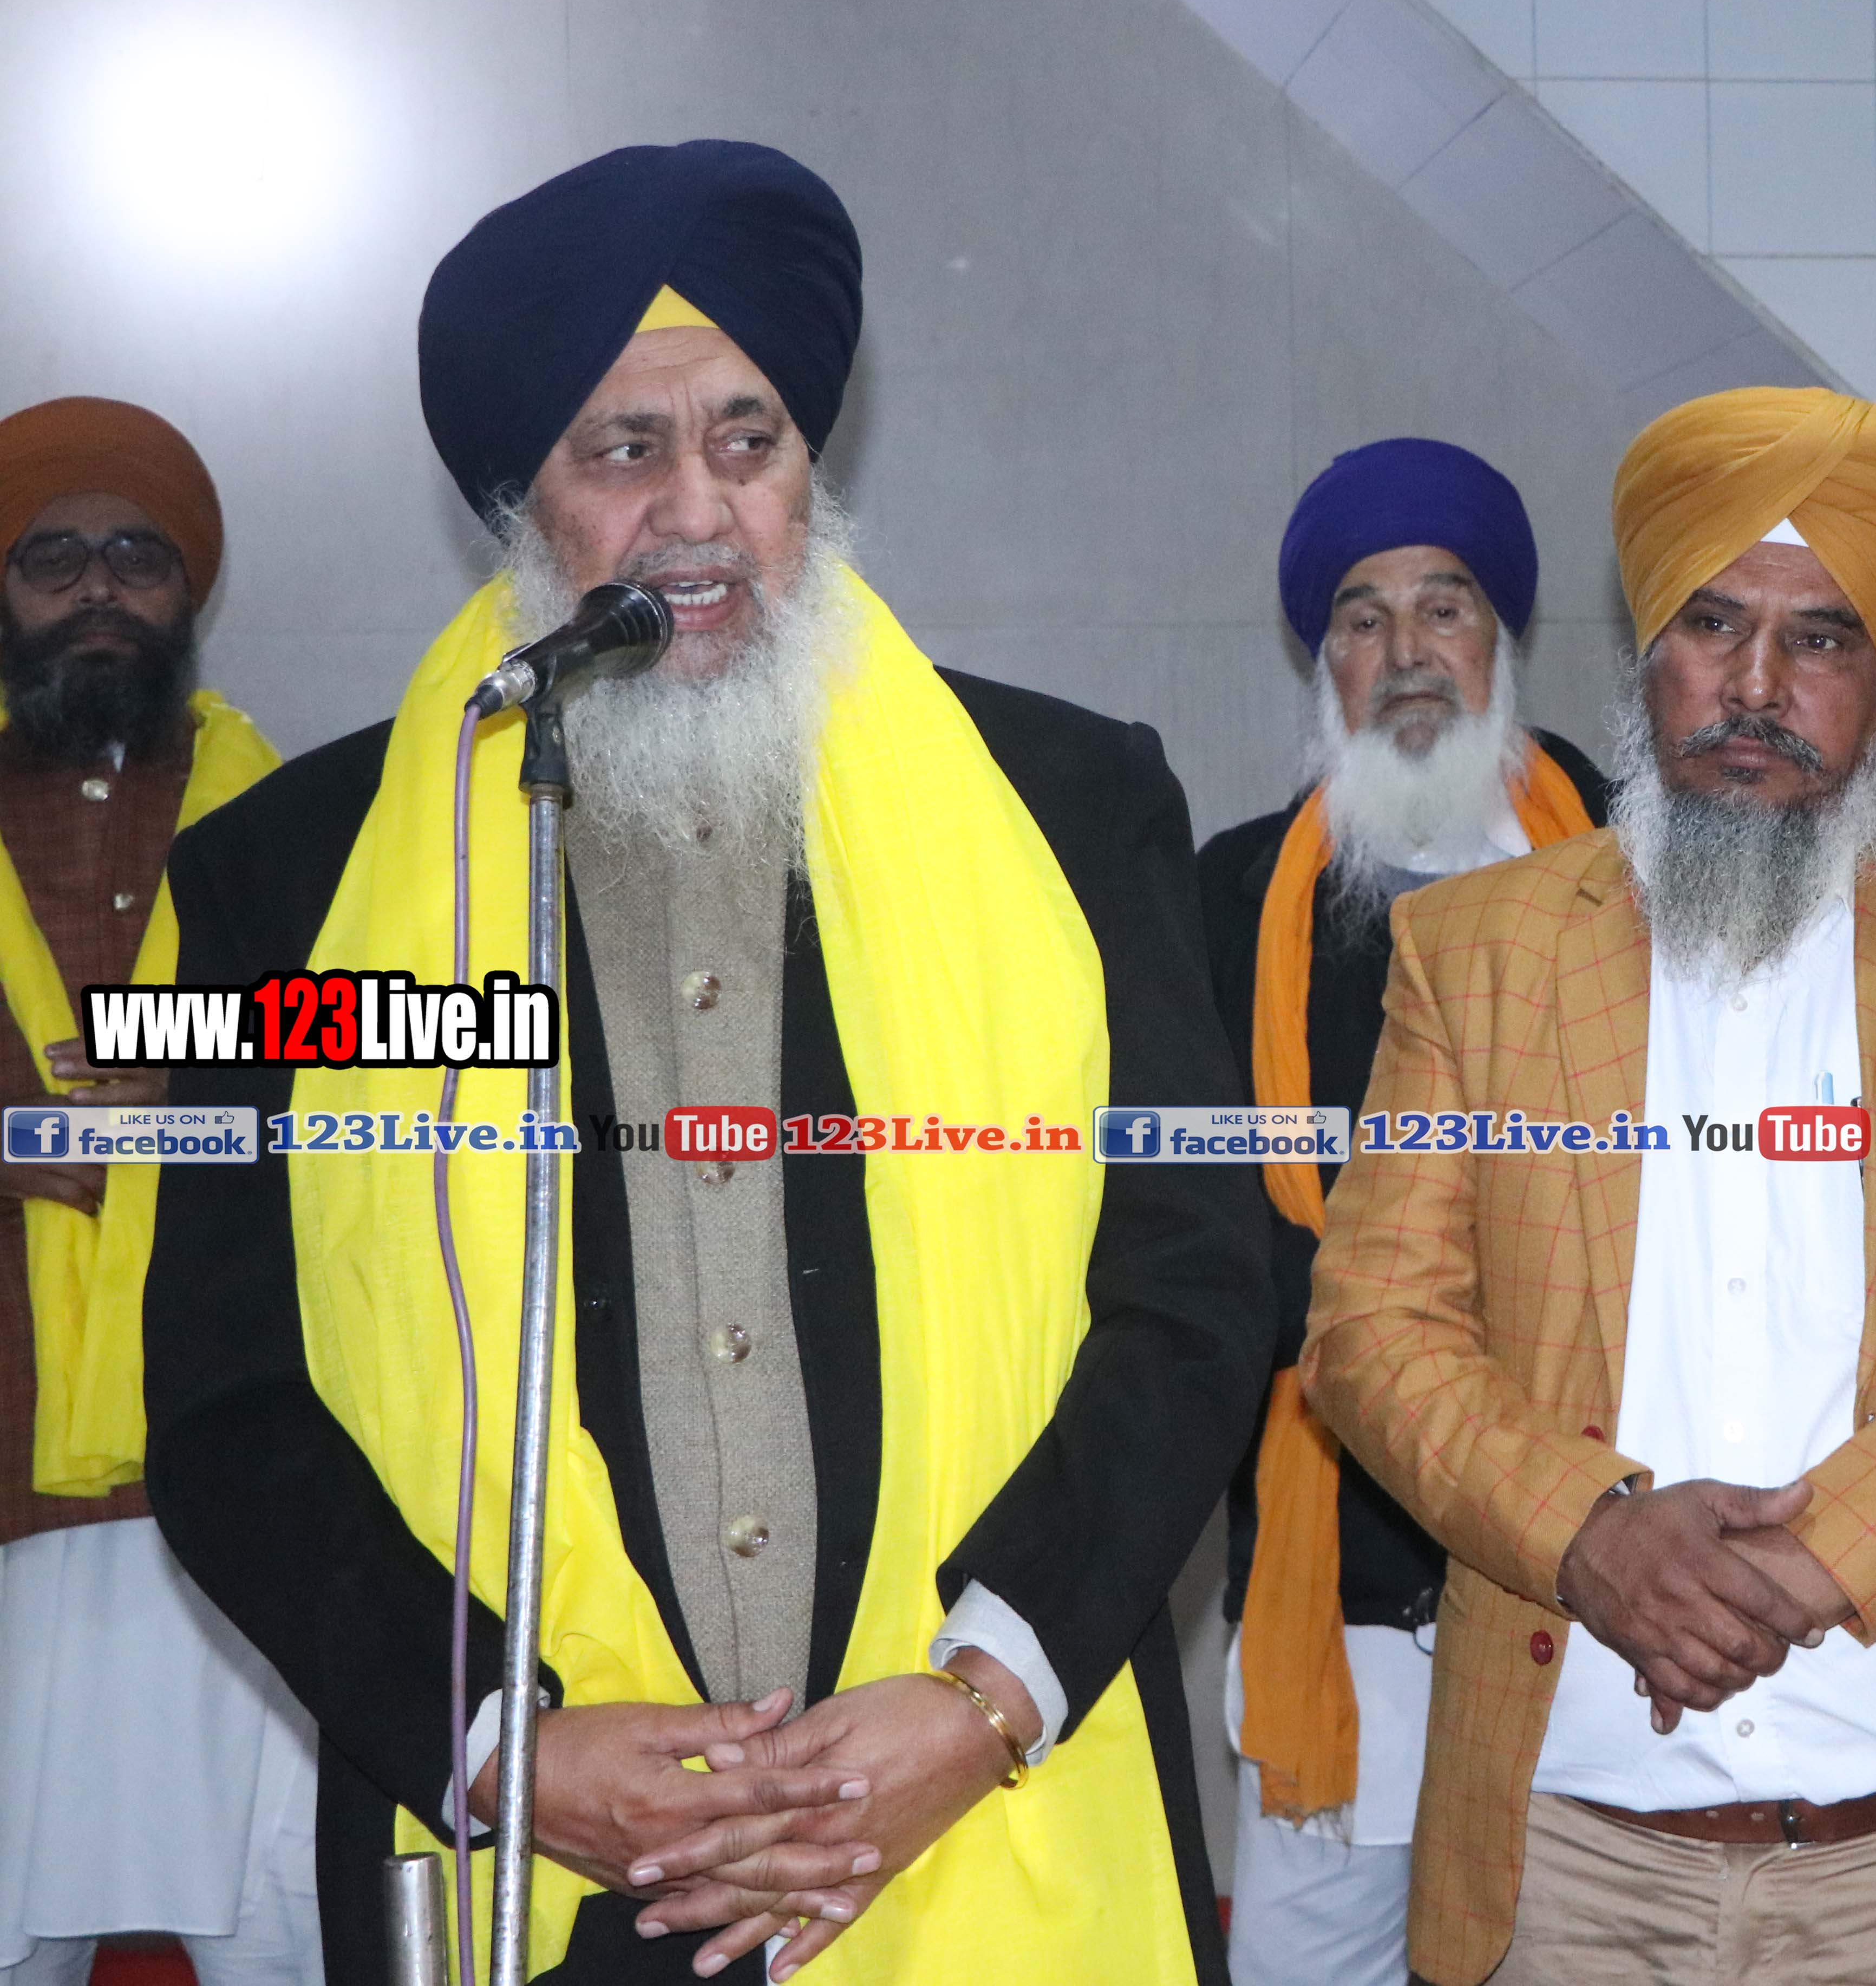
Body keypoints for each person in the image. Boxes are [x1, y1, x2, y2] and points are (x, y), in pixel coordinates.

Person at [143, 140, 1271, 1984]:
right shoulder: (289, 881)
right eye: (624, 452)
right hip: (545, 1870)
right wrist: (501, 1744)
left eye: (751, 444)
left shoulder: (1071, 807)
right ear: (521, 501)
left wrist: (985, 1696)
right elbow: (230, 1403)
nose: (699, 510)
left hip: (986, 1802)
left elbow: (1199, 1289)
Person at [1303, 387, 1876, 1986]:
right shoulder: (1475, 952)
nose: (1757, 686)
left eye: (1823, 639)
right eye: (1713, 625)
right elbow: (1373, 1330)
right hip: (1567, 1866)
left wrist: (1825, 1555)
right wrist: (1591, 1535)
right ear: (1649, 654)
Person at [1195, 437, 1611, 1986]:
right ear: (1326, 662)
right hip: (1346, 1589)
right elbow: (1209, 1234)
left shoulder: (1644, 862)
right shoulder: (1235, 899)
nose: (1409, 651)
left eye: (1446, 607)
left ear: (1500, 636)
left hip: (1601, 1578)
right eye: (1363, 619)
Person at [0, 398, 307, 1983]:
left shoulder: (298, 823)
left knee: (277, 1930)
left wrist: (195, 1088)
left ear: (190, 590)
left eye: (139, 554)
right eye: (52, 556)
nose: (99, 587)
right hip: (6, 1456)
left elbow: (429, 1054)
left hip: (236, 1451)